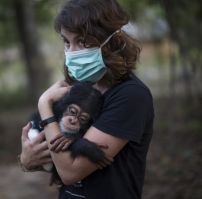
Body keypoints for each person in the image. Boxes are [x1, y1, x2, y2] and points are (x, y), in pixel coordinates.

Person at [19, 0, 154, 198]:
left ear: (112, 41)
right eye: (67, 42)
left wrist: (44, 104)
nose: (72, 52)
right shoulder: (78, 85)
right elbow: (56, 159)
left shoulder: (130, 95)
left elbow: (70, 172)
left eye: (82, 42)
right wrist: (27, 160)